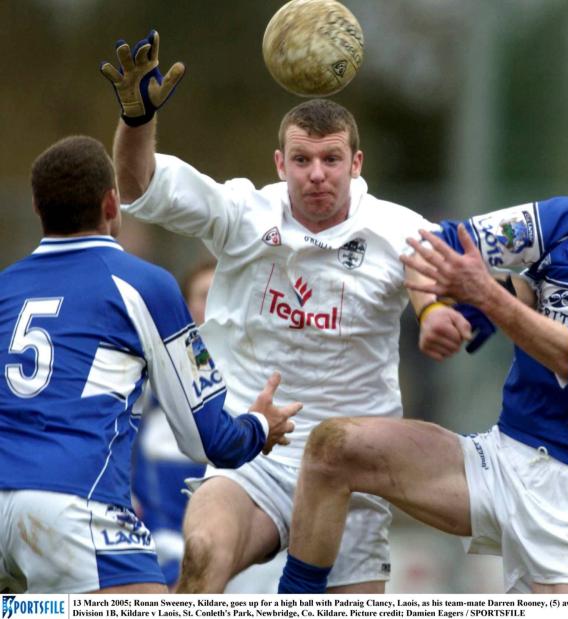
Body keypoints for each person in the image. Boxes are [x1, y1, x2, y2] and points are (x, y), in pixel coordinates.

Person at [99, 30, 483, 593]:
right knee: (203, 552)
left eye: (331, 159)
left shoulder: (395, 226)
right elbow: (139, 184)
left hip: (356, 473)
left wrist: (432, 316)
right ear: (281, 163)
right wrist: (136, 121)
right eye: (302, 159)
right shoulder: (243, 213)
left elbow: (424, 272)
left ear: (357, 162)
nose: (317, 174)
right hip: (257, 455)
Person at [278, 108, 568, 594]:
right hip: (499, 461)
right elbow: (442, 245)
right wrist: (436, 310)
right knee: (332, 448)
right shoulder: (565, 220)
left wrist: (488, 296)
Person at [0, 136, 299, 593]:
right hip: (72, 506)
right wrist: (259, 427)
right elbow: (206, 439)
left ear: (39, 209)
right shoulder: (142, 284)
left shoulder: (5, 287)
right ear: (112, 203)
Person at [131, 259, 216, 589]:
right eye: (204, 295)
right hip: (161, 532)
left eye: (221, 294)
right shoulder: (158, 359)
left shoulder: (254, 367)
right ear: (186, 305)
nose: (213, 305)